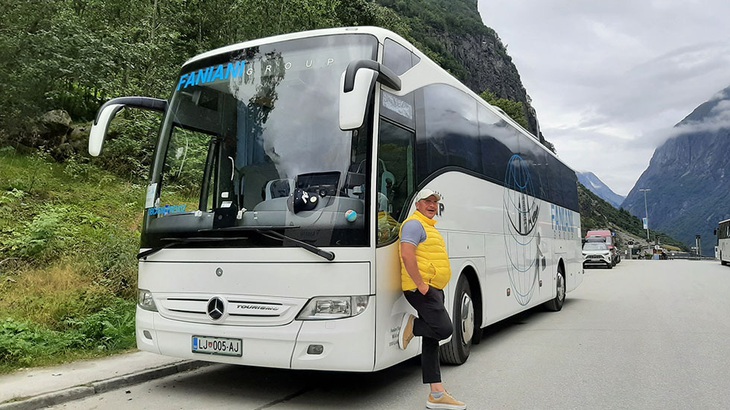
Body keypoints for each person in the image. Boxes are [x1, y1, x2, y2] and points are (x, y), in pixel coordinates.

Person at [398, 188, 466, 410]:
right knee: (444, 329)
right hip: (422, 290)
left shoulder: (428, 226)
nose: (432, 205)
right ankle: (413, 326)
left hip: (432, 288)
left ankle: (436, 394)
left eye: (435, 202)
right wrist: (421, 285)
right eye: (427, 201)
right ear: (417, 204)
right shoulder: (413, 224)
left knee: (432, 341)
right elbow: (407, 254)